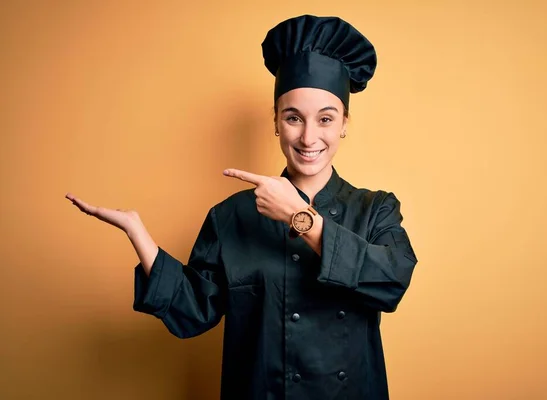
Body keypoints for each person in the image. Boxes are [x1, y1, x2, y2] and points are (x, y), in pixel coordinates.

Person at [66, 14, 418, 400]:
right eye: (293, 118)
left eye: (326, 119)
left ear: (344, 124)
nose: (309, 136)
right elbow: (193, 312)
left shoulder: (376, 209)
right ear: (276, 123)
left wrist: (296, 217)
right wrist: (137, 232)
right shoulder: (230, 216)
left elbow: (391, 283)